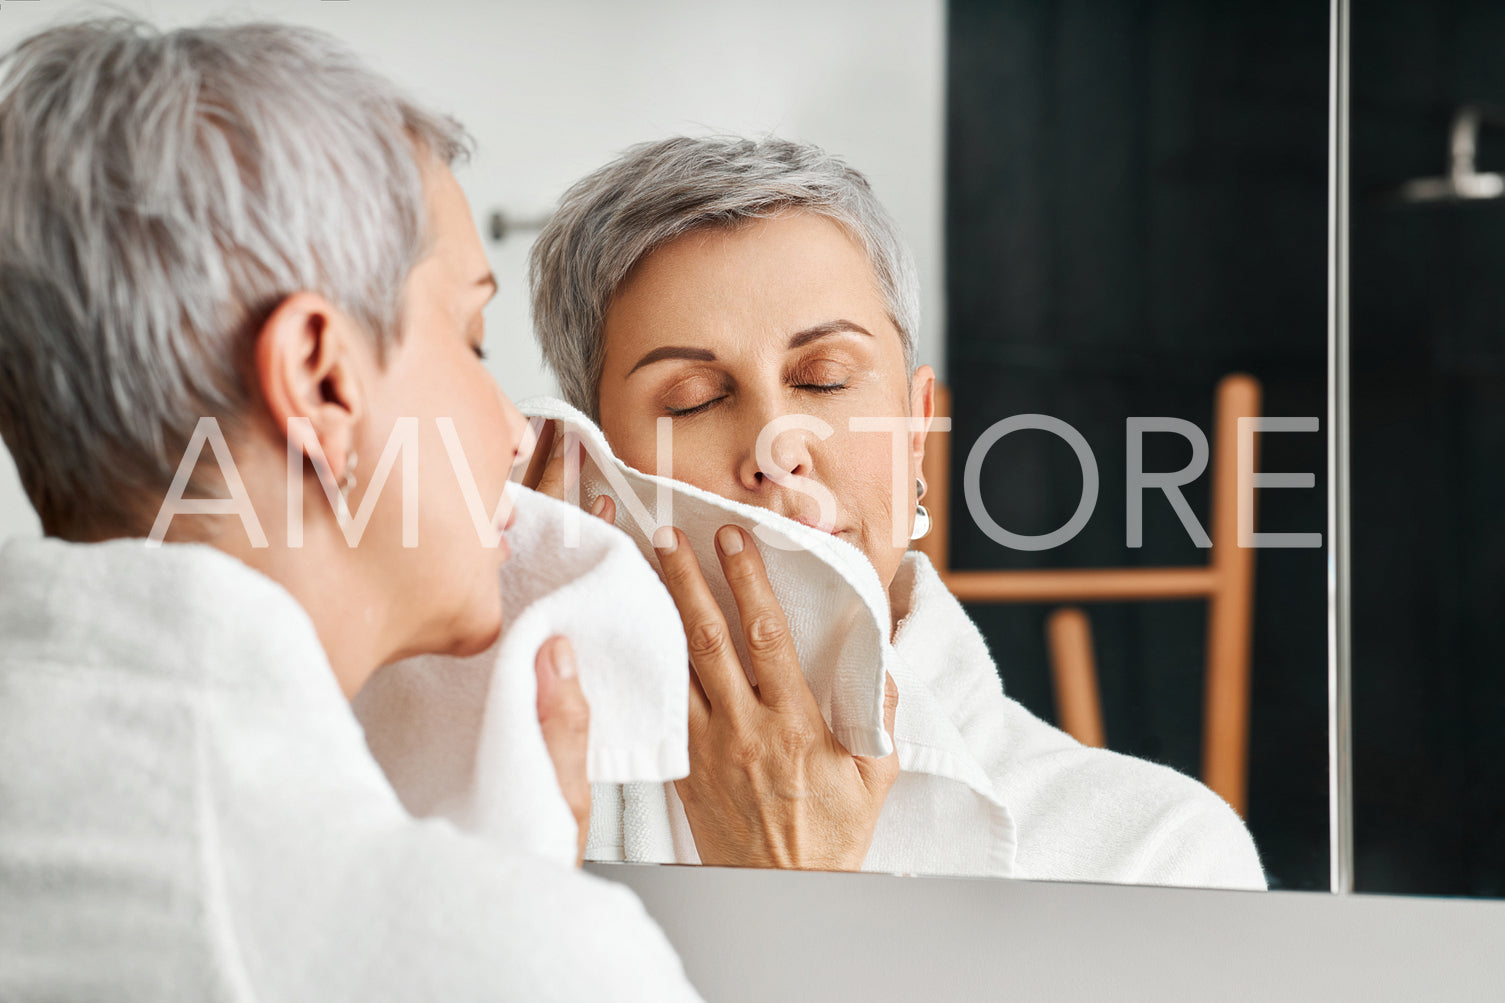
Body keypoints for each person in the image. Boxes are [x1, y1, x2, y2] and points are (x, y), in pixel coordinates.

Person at [0, 18, 699, 1000]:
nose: (516, 432)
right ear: (321, 381)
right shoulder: (497, 956)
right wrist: (518, 932)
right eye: (473, 338)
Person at [528, 135, 1268, 888]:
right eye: (697, 399)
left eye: (823, 380)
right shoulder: (512, 807)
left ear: (915, 430)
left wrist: (791, 890)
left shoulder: (1156, 854)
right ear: (591, 465)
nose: (778, 446)